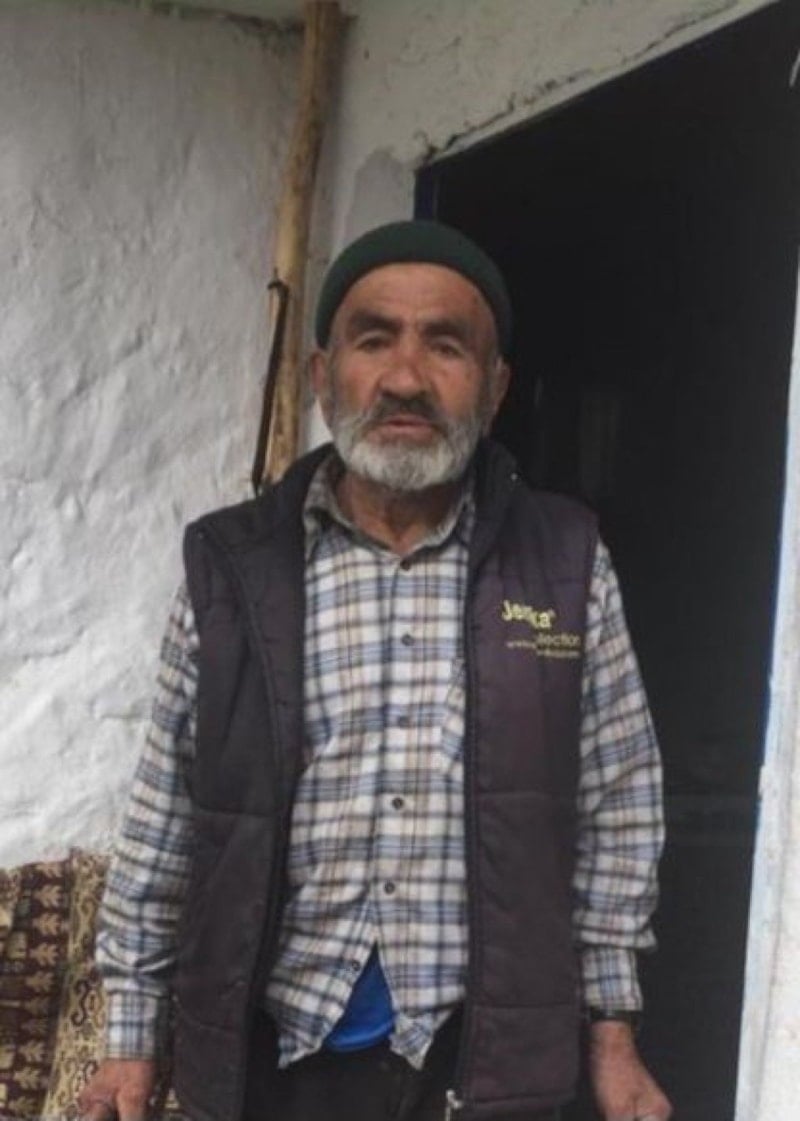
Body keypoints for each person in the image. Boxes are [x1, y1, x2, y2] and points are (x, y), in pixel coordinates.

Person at [80, 220, 672, 1121]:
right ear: (324, 376)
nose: (405, 377)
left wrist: (612, 1033)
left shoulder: (565, 561)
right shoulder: (233, 565)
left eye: (446, 345)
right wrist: (131, 1038)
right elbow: (167, 811)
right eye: (374, 339)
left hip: (483, 1063)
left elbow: (617, 806)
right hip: (269, 1057)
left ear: (495, 388)